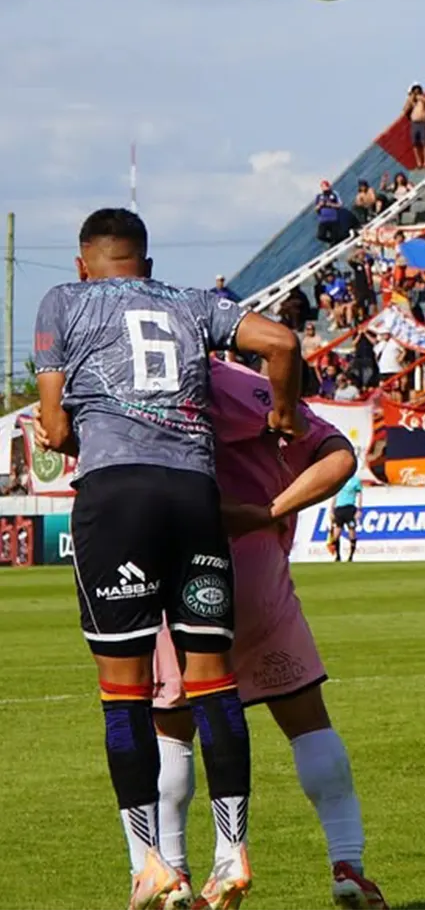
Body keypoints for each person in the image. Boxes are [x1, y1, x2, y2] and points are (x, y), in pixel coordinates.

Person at [33, 208, 302, 910]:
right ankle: (232, 853)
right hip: (193, 497)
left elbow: (56, 426)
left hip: (116, 499)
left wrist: (68, 432)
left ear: (83, 263)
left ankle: (150, 865)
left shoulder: (62, 301)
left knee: (124, 691)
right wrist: (282, 414)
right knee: (214, 682)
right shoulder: (192, 303)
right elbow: (281, 342)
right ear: (146, 264)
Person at [151, 361, 388, 910]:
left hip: (181, 565)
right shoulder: (272, 399)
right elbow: (341, 458)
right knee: (308, 722)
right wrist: (268, 512)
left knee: (172, 728)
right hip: (259, 572)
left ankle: (174, 876)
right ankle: (347, 863)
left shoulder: (188, 378)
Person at [328, 467, 363, 562]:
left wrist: (359, 509)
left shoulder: (355, 481)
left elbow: (360, 495)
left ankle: (351, 556)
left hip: (350, 508)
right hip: (339, 509)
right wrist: (331, 510)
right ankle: (338, 556)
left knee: (352, 532)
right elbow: (335, 495)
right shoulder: (340, 480)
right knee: (336, 534)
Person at [403, 83, 425, 169]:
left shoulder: (424, 99)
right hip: (414, 123)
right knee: (415, 144)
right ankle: (419, 162)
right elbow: (405, 111)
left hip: (422, 122)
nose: (416, 93)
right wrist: (411, 101)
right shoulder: (410, 101)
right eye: (415, 91)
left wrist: (424, 101)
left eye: (418, 91)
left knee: (424, 143)